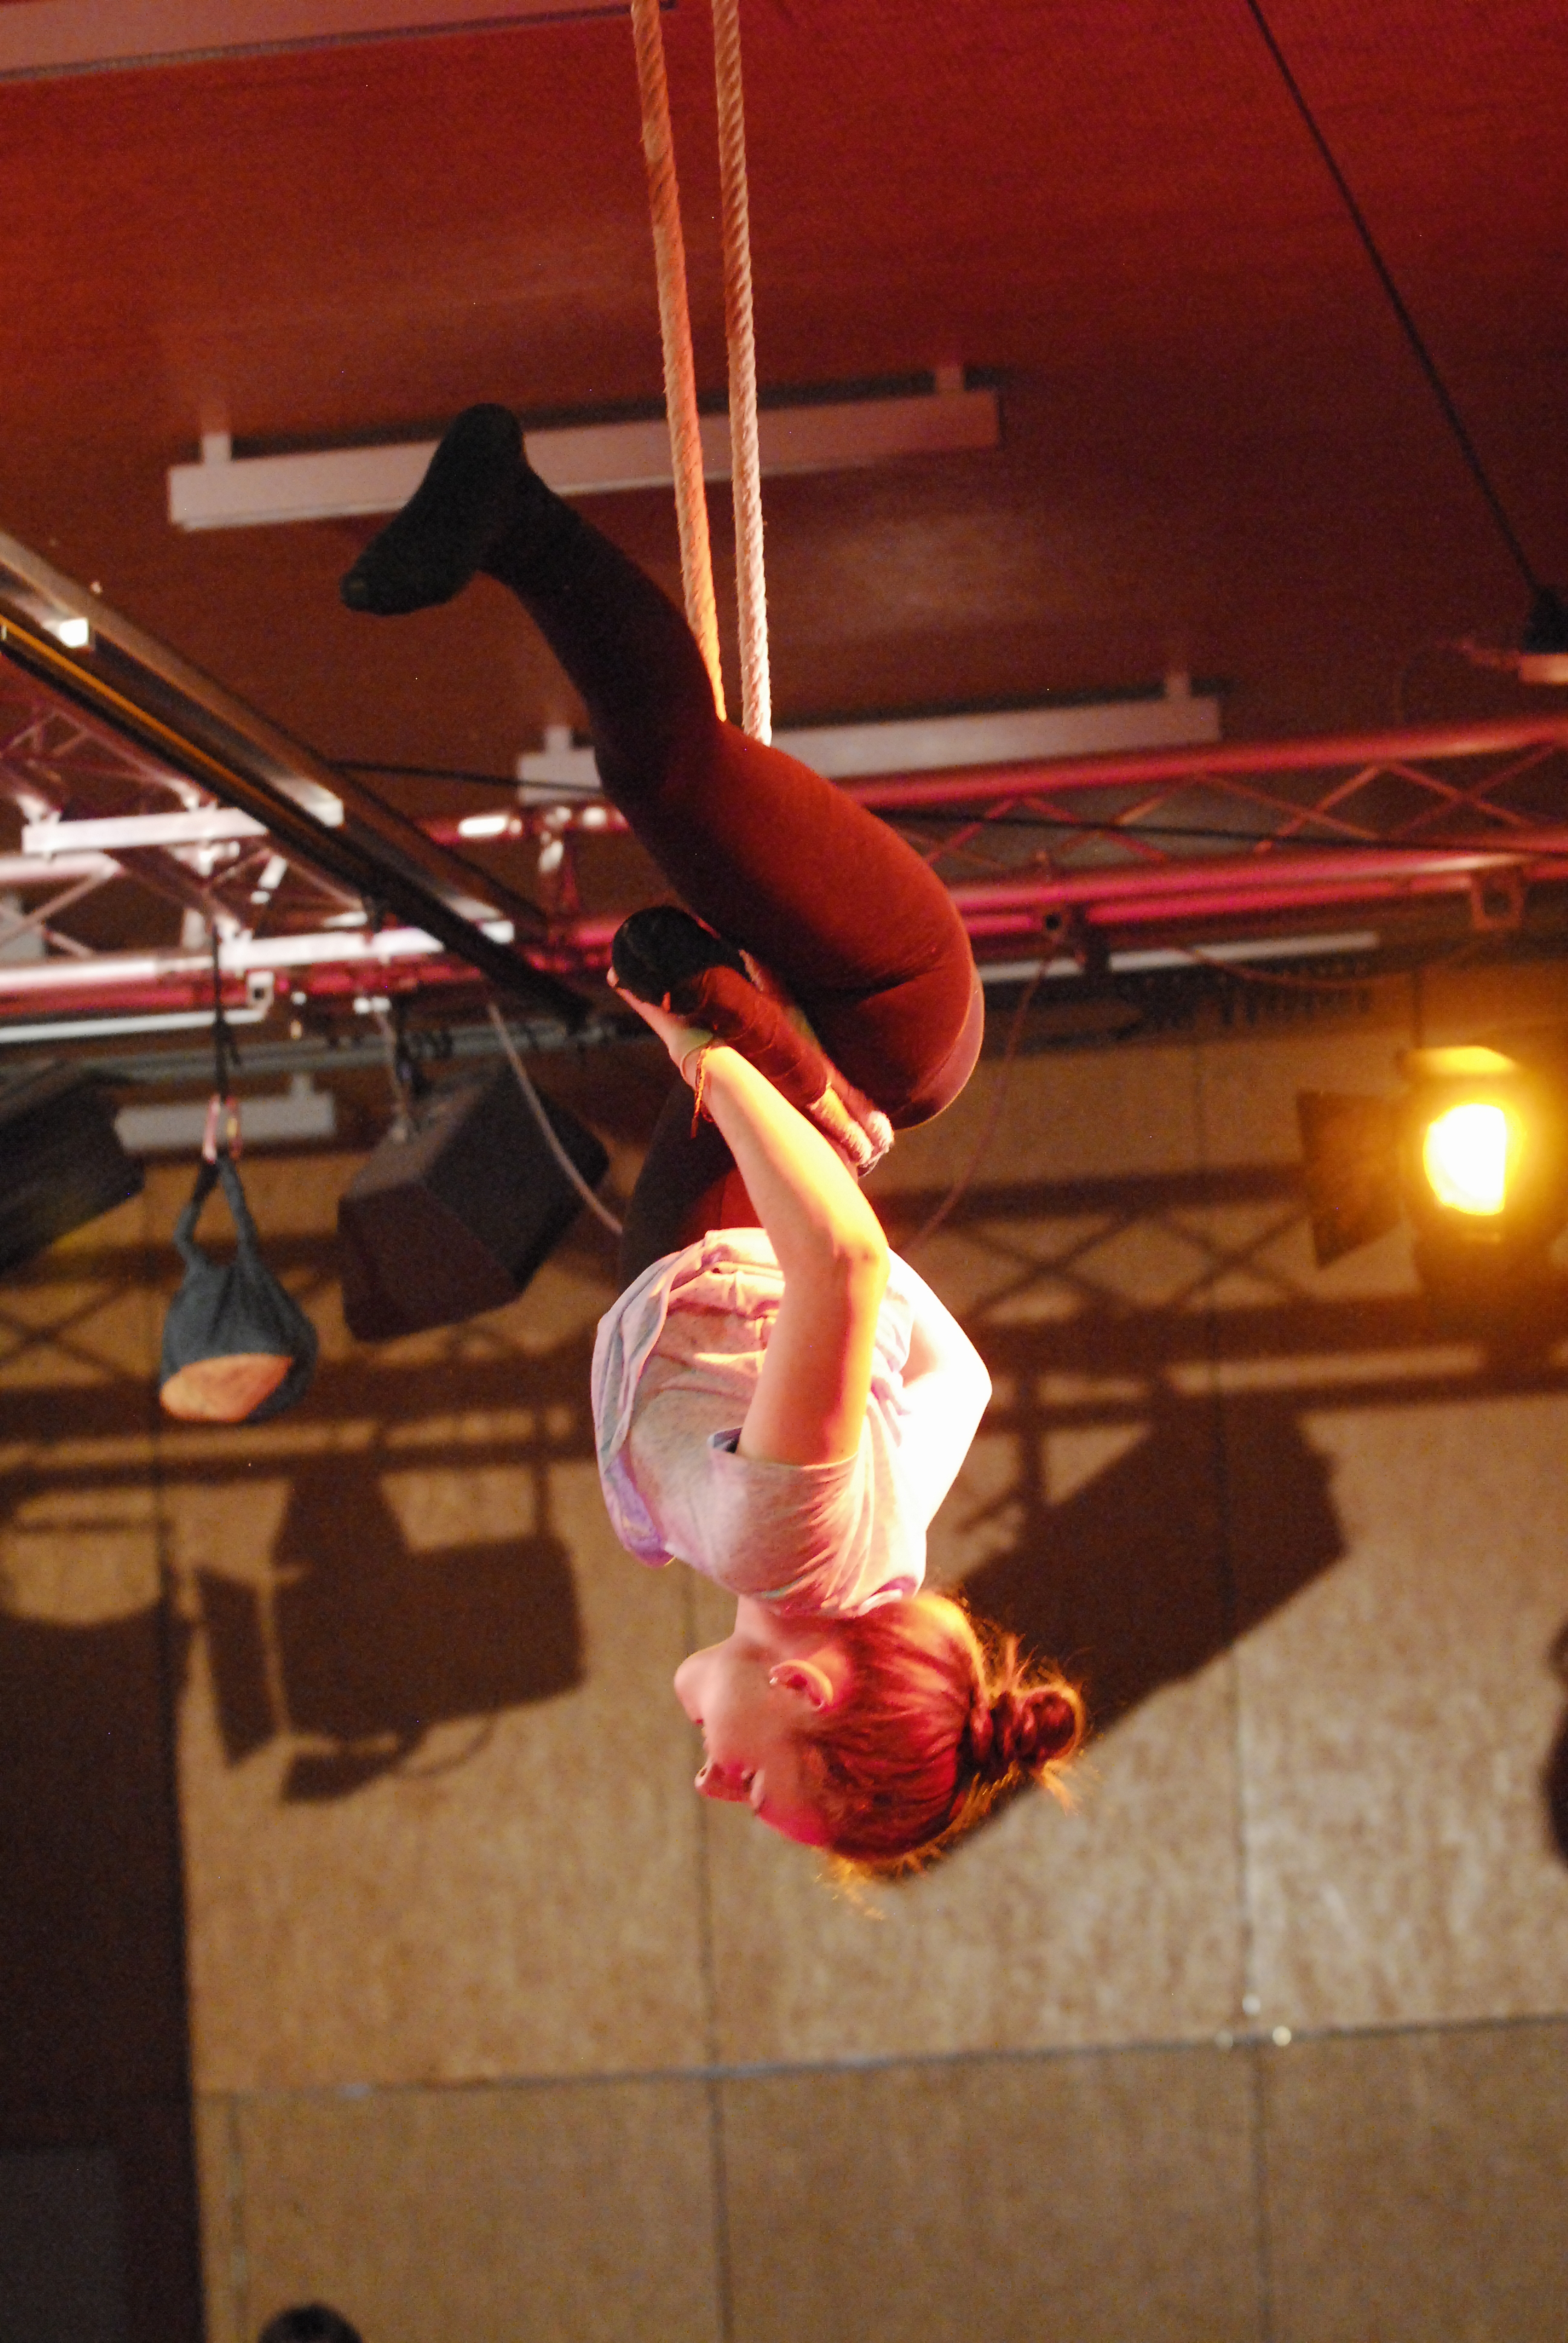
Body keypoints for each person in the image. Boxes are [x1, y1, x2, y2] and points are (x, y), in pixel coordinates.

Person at [341, 406, 1085, 1873]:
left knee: (682, 789)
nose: (712, 1783)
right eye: (761, 1785)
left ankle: (798, 1075)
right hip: (867, 1016)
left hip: (886, 1053)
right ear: (809, 1693)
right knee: (671, 777)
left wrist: (824, 1133)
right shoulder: (783, 1549)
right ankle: (517, 516)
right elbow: (848, 1276)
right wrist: (715, 1060)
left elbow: (957, 1372)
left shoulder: (876, 1552)